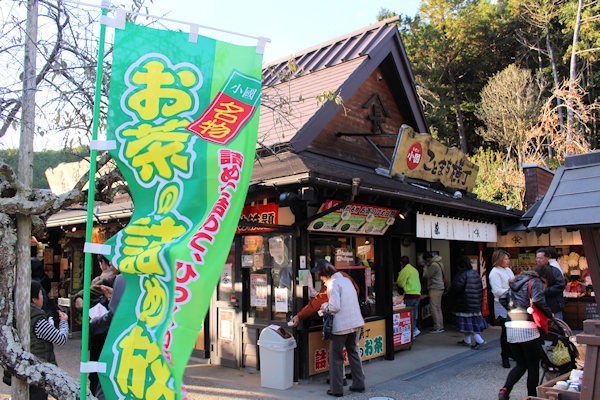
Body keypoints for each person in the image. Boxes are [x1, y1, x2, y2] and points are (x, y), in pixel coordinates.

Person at [498, 266, 554, 400]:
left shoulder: (516, 283)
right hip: (527, 327)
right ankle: (531, 397)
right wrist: (549, 314)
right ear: (544, 277)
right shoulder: (535, 281)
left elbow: (502, 298)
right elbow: (538, 300)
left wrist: (513, 310)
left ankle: (505, 389)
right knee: (533, 365)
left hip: (510, 327)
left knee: (521, 364)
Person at [313, 260, 365, 397]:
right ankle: (359, 384)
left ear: (324, 274)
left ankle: (336, 389)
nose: (321, 279)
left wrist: (324, 307)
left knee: (336, 357)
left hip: (341, 326)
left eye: (320, 275)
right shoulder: (346, 281)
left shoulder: (333, 284)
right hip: (355, 323)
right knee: (353, 353)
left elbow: (335, 307)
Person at [29, 280, 69, 400]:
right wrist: (63, 322)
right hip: (39, 371)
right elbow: (60, 338)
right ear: (34, 299)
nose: (43, 298)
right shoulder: (38, 320)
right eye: (41, 294)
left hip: (28, 370)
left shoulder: (21, 314)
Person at [90, 274, 126, 399]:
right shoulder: (163, 277)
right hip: (152, 349)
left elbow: (114, 316)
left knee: (108, 388)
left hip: (121, 347)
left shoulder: (123, 279)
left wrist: (94, 323)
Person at [447, 256, 487, 349]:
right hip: (475, 304)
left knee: (468, 324)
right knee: (471, 322)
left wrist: (450, 295)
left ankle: (479, 340)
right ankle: (467, 340)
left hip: (465, 303)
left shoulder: (462, 274)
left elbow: (455, 288)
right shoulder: (475, 273)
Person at [489, 249, 514, 368]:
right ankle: (505, 356)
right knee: (505, 331)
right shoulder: (494, 272)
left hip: (511, 302)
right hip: (502, 303)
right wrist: (510, 291)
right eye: (505, 259)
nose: (507, 261)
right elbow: (497, 290)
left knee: (512, 330)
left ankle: (511, 352)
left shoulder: (508, 270)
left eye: (508, 258)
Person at [536, 248, 566, 320]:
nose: (538, 260)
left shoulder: (555, 270)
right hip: (540, 306)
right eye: (537, 258)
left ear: (547, 258)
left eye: (541, 258)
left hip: (554, 306)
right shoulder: (535, 271)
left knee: (556, 327)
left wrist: (545, 291)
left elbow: (561, 285)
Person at [396, 256, 421, 337]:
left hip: (410, 295)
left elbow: (400, 283)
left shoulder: (405, 270)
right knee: (414, 314)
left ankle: (411, 331)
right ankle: (415, 329)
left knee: (408, 315)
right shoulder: (414, 269)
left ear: (401, 263)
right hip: (417, 294)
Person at [422, 252, 445, 333]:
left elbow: (426, 275)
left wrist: (425, 266)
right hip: (440, 287)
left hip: (435, 287)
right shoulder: (440, 263)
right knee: (438, 308)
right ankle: (440, 326)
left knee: (434, 308)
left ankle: (437, 327)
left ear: (428, 259)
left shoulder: (433, 265)